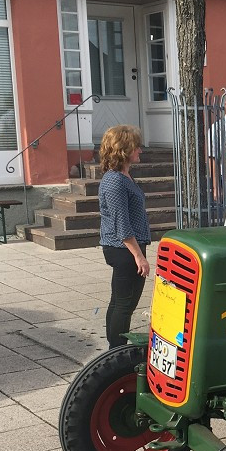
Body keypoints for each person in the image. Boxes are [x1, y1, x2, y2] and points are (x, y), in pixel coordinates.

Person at [98, 125, 151, 348]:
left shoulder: (124, 176)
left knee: (119, 302)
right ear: (124, 149)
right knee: (124, 304)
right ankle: (116, 351)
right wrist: (139, 257)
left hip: (126, 247)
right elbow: (122, 224)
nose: (140, 149)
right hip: (124, 250)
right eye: (136, 146)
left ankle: (113, 349)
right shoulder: (115, 181)